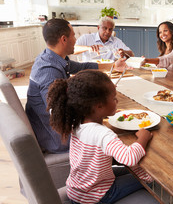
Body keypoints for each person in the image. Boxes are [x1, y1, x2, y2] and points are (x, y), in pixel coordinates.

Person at [47, 70, 153, 203]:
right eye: (114, 98)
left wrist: (107, 112)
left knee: (130, 171)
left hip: (76, 191)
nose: (117, 100)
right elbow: (129, 158)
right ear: (99, 106)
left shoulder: (76, 121)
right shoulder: (103, 134)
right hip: (97, 196)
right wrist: (143, 137)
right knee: (149, 179)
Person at [25, 18, 127, 154]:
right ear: (64, 39)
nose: (75, 39)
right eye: (73, 35)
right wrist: (100, 111)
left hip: (55, 130)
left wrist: (113, 66)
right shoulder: (48, 71)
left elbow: (82, 66)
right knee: (120, 131)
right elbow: (56, 112)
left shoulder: (52, 57)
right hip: (57, 138)